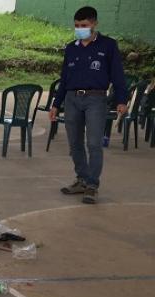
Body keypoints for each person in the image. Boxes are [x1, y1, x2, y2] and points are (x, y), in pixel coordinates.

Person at [49, 6, 127, 204]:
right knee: (75, 143)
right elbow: (64, 78)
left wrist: (121, 100)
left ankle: (92, 185)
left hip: (96, 99)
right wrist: (56, 104)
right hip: (72, 99)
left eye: (84, 25)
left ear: (94, 24)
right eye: (76, 26)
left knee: (93, 143)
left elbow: (118, 75)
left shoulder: (108, 45)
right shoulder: (71, 47)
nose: (80, 29)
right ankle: (81, 179)